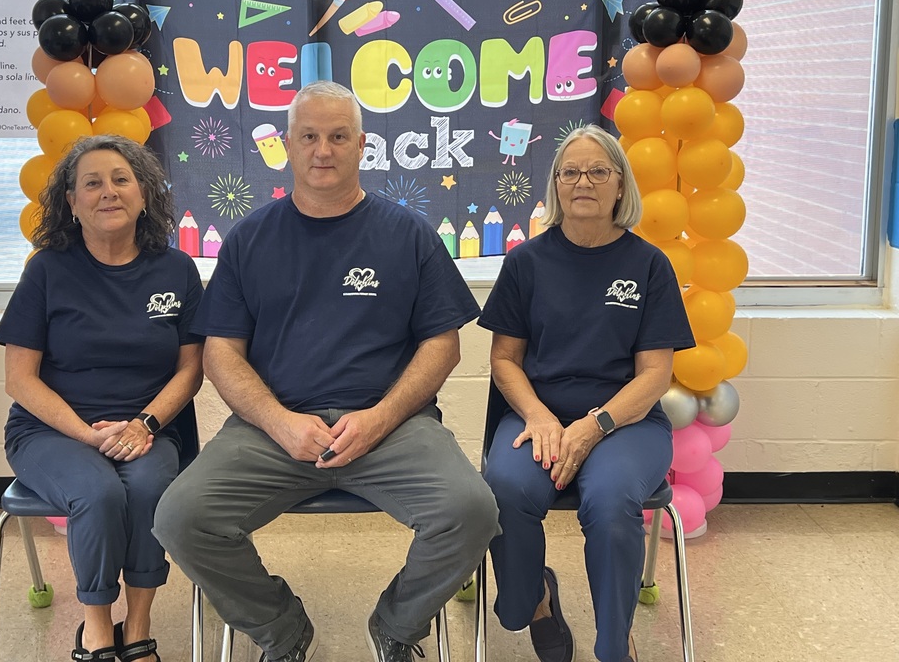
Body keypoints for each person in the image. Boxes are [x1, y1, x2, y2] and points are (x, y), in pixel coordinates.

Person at [153, 81, 499, 662]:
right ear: (287, 145)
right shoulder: (248, 239)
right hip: (272, 429)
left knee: (471, 511)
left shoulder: (407, 234)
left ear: (362, 145)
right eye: (309, 136)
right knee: (181, 518)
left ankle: (396, 625)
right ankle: (281, 630)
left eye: (339, 136)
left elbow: (444, 345)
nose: (323, 150)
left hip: (391, 426)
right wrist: (281, 422)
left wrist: (381, 418)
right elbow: (221, 355)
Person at [477, 125, 695, 662]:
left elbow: (653, 376)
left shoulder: (648, 266)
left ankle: (613, 643)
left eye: (599, 171)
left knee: (611, 499)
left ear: (620, 185)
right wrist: (540, 417)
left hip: (626, 423)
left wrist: (594, 426)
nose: (583, 182)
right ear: (555, 184)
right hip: (537, 414)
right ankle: (534, 604)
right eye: (570, 172)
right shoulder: (526, 262)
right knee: (504, 487)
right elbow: (504, 358)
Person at [0, 134, 204, 662]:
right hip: (52, 431)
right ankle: (96, 629)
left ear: (144, 194)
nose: (107, 192)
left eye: (121, 179)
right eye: (92, 182)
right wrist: (88, 435)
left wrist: (144, 426)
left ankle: (137, 625)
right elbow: (20, 380)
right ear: (71, 201)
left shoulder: (176, 269)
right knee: (98, 492)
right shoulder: (46, 269)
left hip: (149, 428)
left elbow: (192, 369)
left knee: (150, 485)